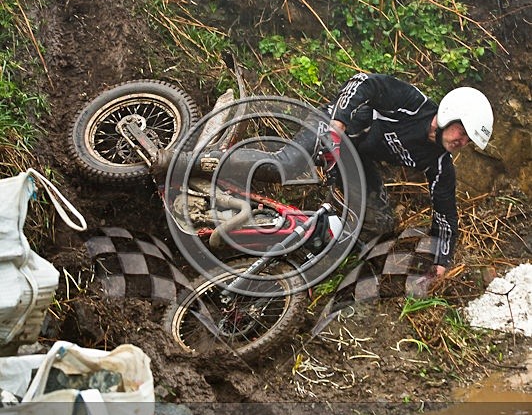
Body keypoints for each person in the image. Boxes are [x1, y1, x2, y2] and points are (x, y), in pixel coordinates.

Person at [153, 73, 494, 297]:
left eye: (468, 140)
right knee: (281, 166)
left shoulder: (438, 164)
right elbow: (364, 82)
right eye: (462, 132)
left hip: (356, 160)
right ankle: (183, 161)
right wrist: (338, 124)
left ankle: (294, 231)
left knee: (379, 225)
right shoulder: (413, 104)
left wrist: (442, 262)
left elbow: (446, 215)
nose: (462, 141)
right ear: (451, 113)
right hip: (332, 128)